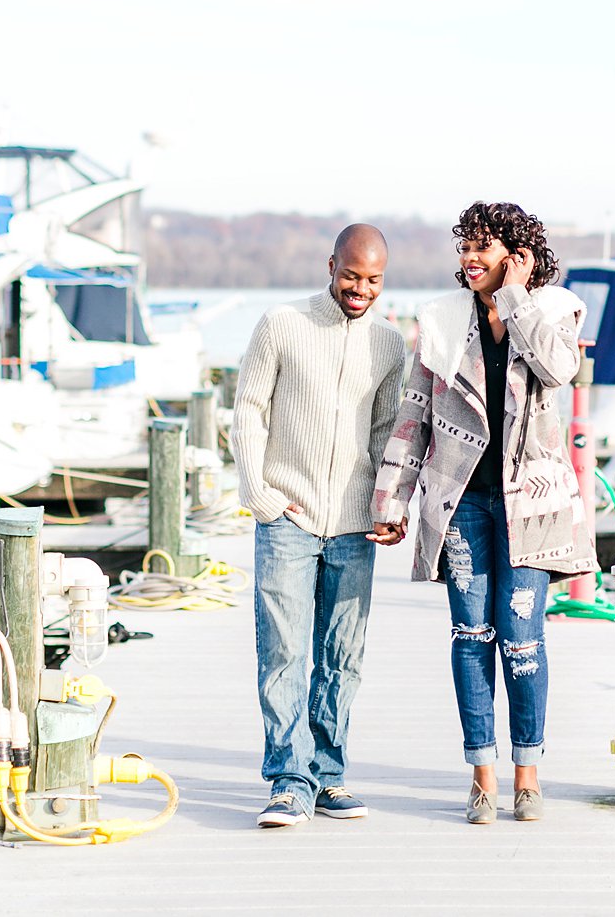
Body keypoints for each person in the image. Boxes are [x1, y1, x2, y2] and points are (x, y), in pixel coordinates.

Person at [372, 201, 594, 825]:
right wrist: (391, 500)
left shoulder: (555, 310)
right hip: (463, 501)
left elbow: (558, 369)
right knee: (472, 637)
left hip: (534, 507)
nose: (469, 258)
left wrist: (518, 299)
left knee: (521, 637)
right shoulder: (441, 323)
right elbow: (414, 416)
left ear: (516, 255)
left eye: (483, 247)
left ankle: (528, 775)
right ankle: (482, 776)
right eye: (464, 246)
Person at [231, 224, 407, 828]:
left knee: (342, 655)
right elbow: (249, 409)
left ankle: (327, 775)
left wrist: (391, 506)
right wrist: (259, 492)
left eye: (374, 280)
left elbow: (388, 435)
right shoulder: (282, 324)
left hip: (356, 524)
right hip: (288, 515)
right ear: (331, 265)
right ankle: (287, 780)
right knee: (283, 650)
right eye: (352, 275)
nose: (361, 288)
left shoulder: (389, 346)